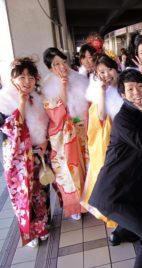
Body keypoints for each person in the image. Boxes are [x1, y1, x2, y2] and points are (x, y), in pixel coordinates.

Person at [89, 69, 142, 268]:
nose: (137, 92)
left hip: (128, 189)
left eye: (140, 86)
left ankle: (119, 234)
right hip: (113, 193)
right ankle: (122, 233)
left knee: (140, 224)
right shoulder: (124, 118)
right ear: (122, 95)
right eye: (130, 89)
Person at [0, 57, 51, 247]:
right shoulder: (3, 101)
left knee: (41, 190)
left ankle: (43, 225)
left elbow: (44, 122)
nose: (27, 81)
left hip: (39, 151)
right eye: (22, 77)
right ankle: (29, 231)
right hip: (19, 159)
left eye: (30, 77)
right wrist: (20, 102)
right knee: (25, 193)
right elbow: (13, 128)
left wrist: (45, 140)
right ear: (13, 79)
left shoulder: (36, 97)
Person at [42, 47, 89, 220]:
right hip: (62, 137)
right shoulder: (46, 87)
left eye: (63, 62)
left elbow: (88, 105)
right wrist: (62, 86)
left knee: (86, 166)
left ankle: (88, 201)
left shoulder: (79, 78)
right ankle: (75, 206)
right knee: (69, 171)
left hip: (81, 132)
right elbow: (56, 113)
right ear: (49, 68)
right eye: (56, 64)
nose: (62, 67)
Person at [81, 53, 122, 228]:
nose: (106, 75)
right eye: (101, 73)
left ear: (116, 68)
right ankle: (116, 220)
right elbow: (100, 116)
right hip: (113, 145)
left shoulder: (127, 85)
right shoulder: (99, 93)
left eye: (109, 69)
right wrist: (102, 93)